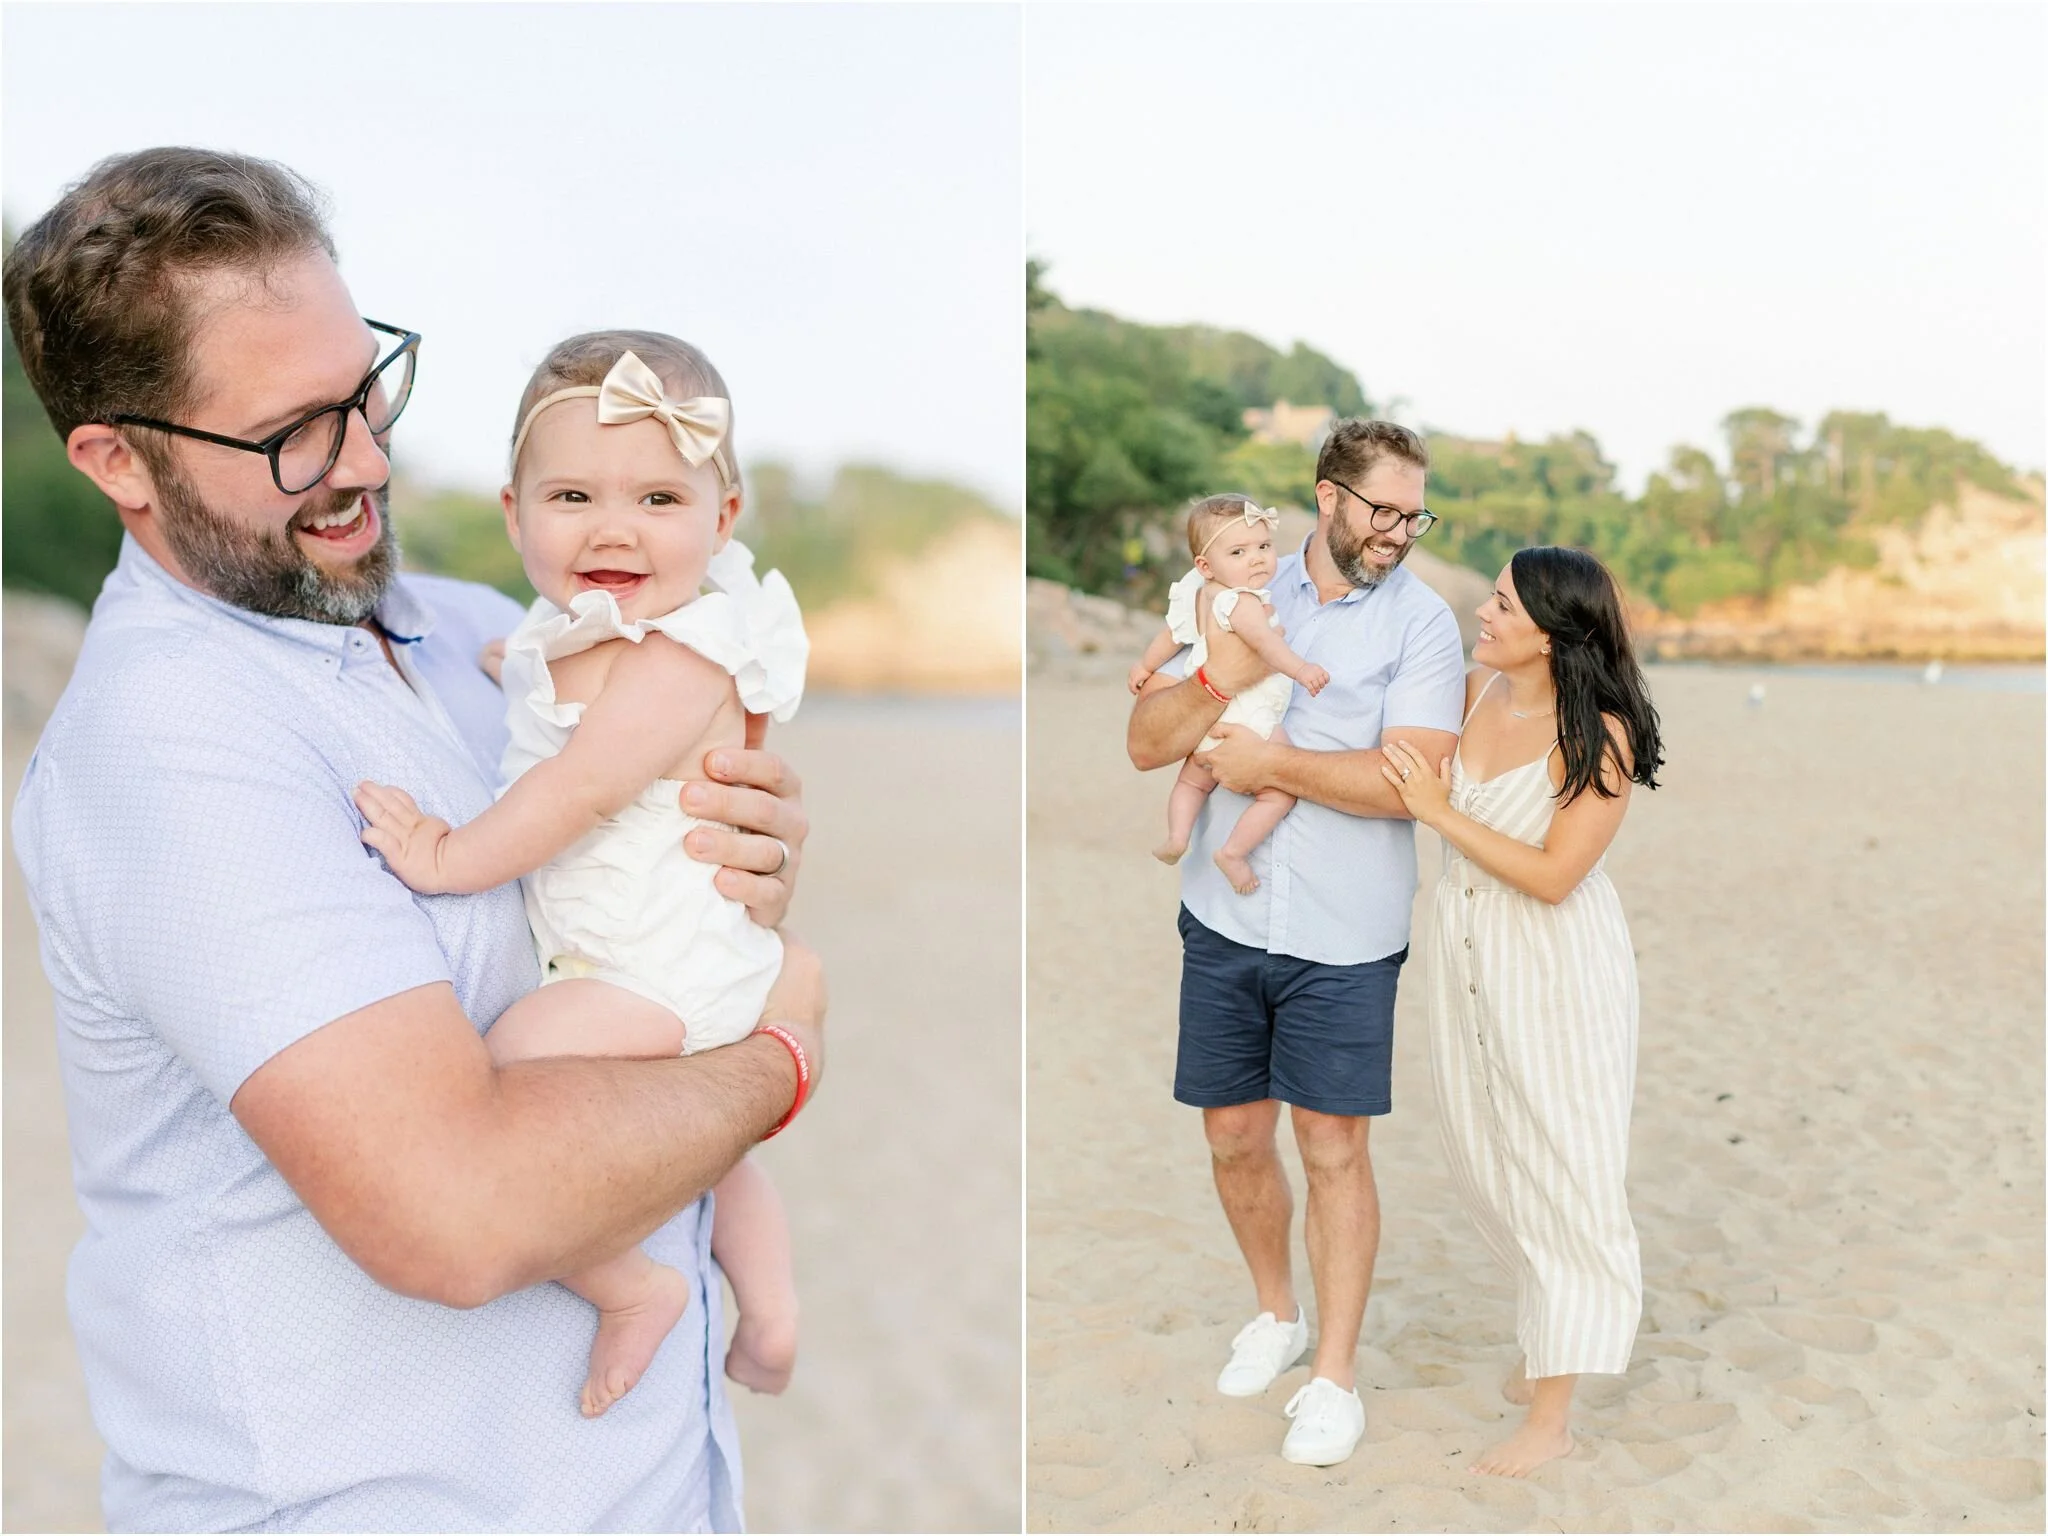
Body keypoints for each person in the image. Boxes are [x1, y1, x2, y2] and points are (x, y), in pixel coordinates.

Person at [5, 147, 821, 1532]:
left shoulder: (463, 632)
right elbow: (456, 1217)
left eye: (368, 392)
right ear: (115, 461)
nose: (367, 462)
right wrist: (780, 1050)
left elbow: (612, 846)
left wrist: (747, 850)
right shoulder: (170, 750)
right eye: (295, 435)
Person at [355, 335, 810, 1418]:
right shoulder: (567, 632)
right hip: (638, 950)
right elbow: (542, 672)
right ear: (514, 514)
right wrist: (513, 667)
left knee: (504, 1075)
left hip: (657, 961)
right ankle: (775, 1313)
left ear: (722, 518)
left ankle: (633, 1286)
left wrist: (448, 856)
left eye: (659, 496)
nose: (614, 527)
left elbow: (581, 789)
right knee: (711, 1157)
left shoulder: (682, 656)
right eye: (573, 495)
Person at [1127, 420, 1465, 1466]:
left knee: (1332, 1149)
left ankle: (1333, 1375)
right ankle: (1275, 1314)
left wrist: (1267, 761)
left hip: (1346, 931)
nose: (1399, 532)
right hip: (1223, 919)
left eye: (1415, 514)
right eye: (1383, 511)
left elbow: (1409, 783)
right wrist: (1221, 680)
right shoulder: (1232, 592)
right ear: (1327, 498)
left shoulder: (1423, 627)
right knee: (1230, 1136)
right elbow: (1146, 744)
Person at [1379, 545, 1664, 1477]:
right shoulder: (1473, 693)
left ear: (1552, 631)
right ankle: (1554, 1335)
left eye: (1501, 604)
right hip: (1467, 953)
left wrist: (1437, 812)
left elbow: (1552, 876)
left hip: (1554, 966)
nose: (1485, 613)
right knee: (1491, 1150)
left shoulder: (1601, 735)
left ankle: (1556, 1416)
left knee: (1565, 1165)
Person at [1129, 495, 1329, 893]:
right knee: (1280, 792)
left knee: (1191, 783)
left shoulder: (1200, 594)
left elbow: (1172, 635)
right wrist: (1301, 668)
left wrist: (1145, 667)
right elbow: (1267, 647)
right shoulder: (1242, 601)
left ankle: (1177, 837)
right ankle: (1234, 852)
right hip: (1248, 713)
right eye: (1239, 551)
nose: (1257, 559)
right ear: (1205, 564)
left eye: (1264, 547)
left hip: (1207, 716)